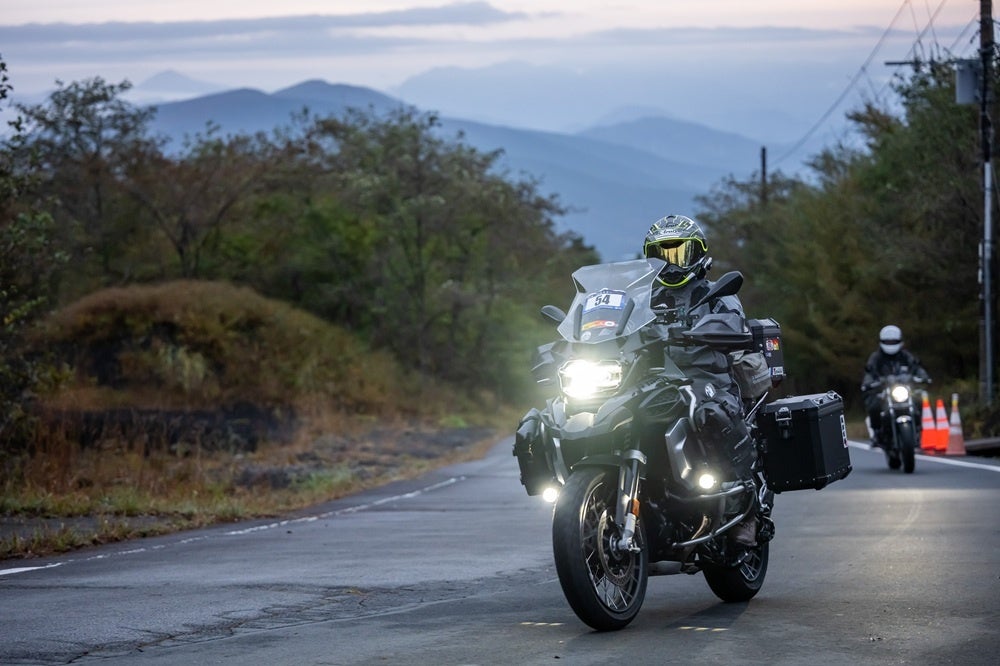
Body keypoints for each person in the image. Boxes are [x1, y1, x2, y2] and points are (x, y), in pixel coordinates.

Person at [642, 214, 757, 545]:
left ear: (698, 254)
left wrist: (711, 329)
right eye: (660, 255)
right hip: (655, 381)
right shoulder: (643, 300)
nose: (670, 264)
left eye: (679, 253)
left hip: (707, 377)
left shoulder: (715, 293)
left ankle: (742, 507)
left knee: (708, 411)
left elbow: (735, 325)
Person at [861, 324, 931, 446]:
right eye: (888, 341)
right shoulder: (876, 358)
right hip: (883, 392)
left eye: (893, 341)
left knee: (920, 401)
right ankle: (877, 433)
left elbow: (917, 367)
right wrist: (869, 383)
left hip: (905, 390)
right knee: (874, 406)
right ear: (882, 342)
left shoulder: (906, 356)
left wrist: (924, 378)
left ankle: (919, 429)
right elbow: (869, 372)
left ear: (900, 341)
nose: (890, 343)